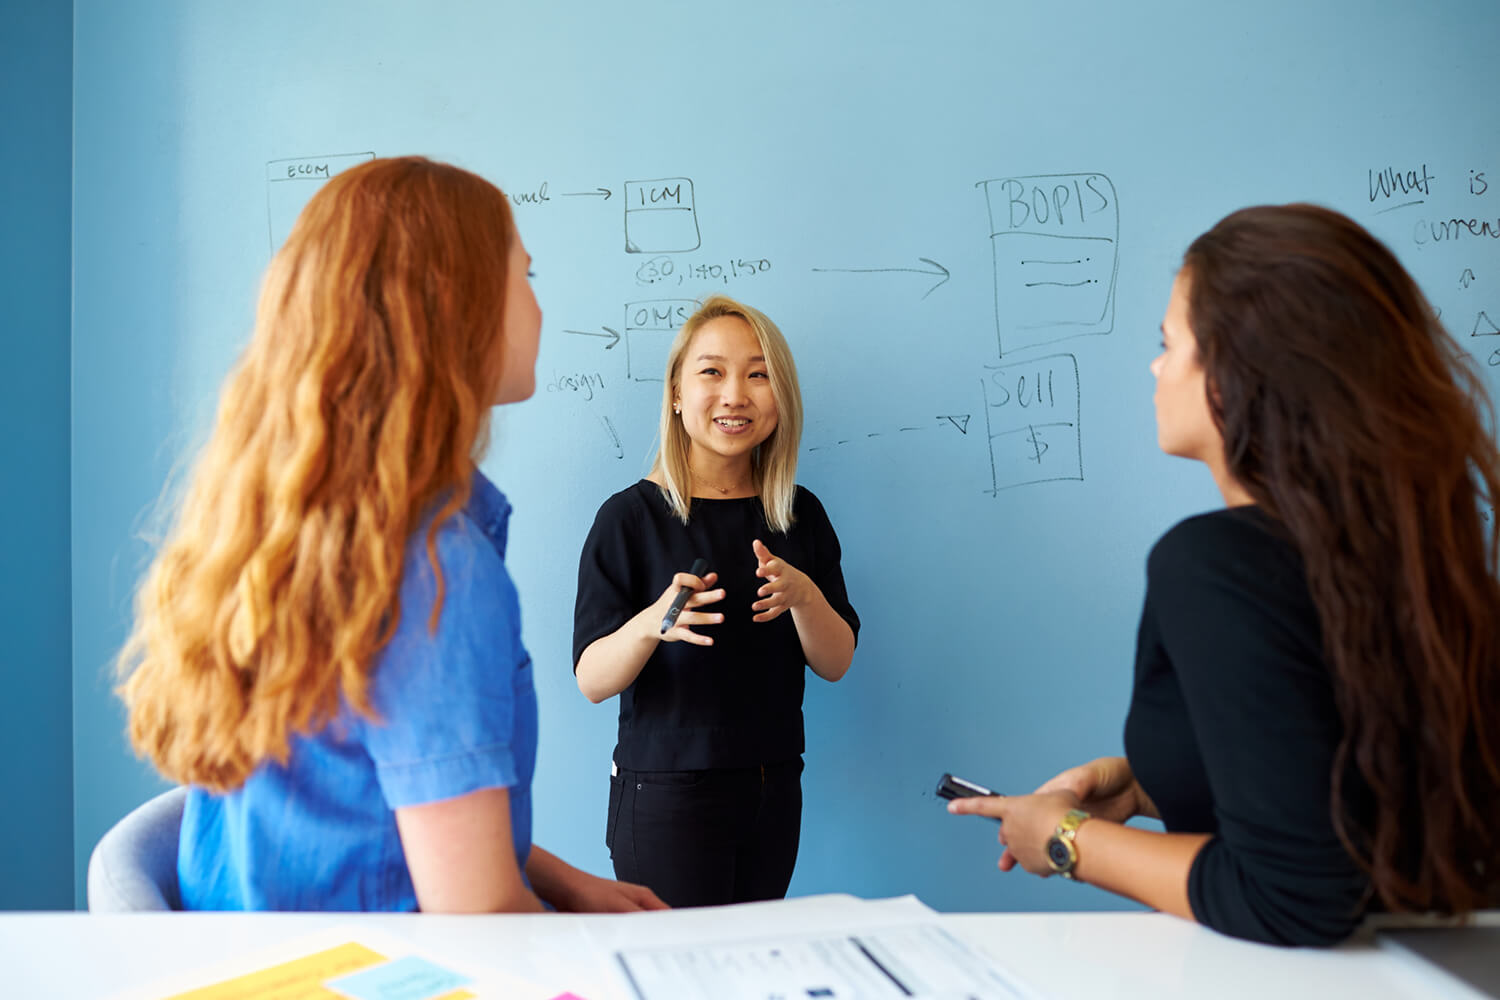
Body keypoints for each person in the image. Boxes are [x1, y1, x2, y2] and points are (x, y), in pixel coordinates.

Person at [116, 156, 666, 914]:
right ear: (455, 305)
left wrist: (563, 881)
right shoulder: (439, 574)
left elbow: (386, 804)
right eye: (525, 279)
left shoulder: (303, 535)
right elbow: (480, 920)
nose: (539, 311)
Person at [949, 203, 1500, 946]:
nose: (1155, 366)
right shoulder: (1404, 545)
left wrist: (1065, 838)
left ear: (1238, 370)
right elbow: (1346, 779)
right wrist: (1147, 783)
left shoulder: (1213, 565)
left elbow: (1294, 896)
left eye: (1169, 342)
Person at [573, 294, 859, 907]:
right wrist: (654, 623)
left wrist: (805, 597)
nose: (735, 394)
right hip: (664, 796)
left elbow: (836, 662)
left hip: (773, 788)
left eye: (759, 374)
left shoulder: (799, 514)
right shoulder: (629, 519)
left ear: (781, 399)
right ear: (676, 394)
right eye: (712, 372)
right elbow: (592, 680)